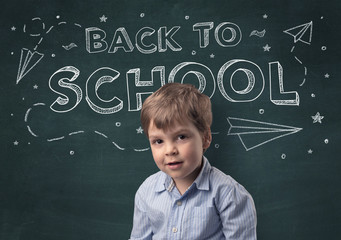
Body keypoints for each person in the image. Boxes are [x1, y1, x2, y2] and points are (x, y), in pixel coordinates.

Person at [130, 83, 257, 239]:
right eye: (158, 141)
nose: (170, 150)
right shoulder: (146, 192)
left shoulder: (229, 194)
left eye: (181, 137)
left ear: (205, 138)